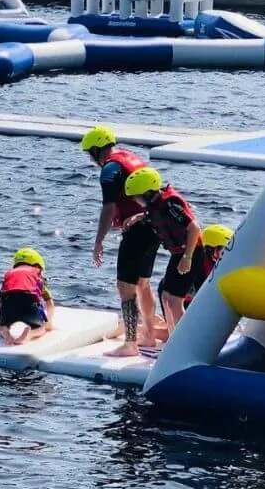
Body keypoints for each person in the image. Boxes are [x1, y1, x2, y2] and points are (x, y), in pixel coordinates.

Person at [82, 125, 161, 356]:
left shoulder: (109, 170)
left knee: (125, 287)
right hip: (153, 225)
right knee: (143, 283)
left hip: (137, 231)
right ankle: (148, 335)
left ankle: (130, 343)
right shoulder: (129, 157)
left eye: (90, 153)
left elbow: (108, 207)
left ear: (97, 150)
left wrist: (99, 241)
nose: (90, 158)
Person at [128, 166, 201, 345]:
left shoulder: (170, 205)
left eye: (137, 197)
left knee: (175, 300)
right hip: (178, 253)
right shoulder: (155, 205)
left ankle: (185, 342)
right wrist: (139, 217)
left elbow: (194, 228)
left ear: (147, 193)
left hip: (191, 252)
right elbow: (155, 216)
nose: (136, 200)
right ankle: (173, 338)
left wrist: (188, 257)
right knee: (166, 296)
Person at [159, 223, 231, 333]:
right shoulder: (195, 268)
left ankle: (158, 327)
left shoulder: (216, 265)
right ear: (209, 249)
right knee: (172, 334)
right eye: (222, 251)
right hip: (181, 302)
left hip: (192, 302)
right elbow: (181, 300)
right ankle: (150, 331)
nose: (225, 256)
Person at [0, 247, 55, 345]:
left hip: (8, 305)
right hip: (28, 305)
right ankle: (30, 334)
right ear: (38, 265)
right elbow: (49, 303)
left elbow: (0, 302)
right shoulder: (36, 274)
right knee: (42, 328)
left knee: (1, 327)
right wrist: (47, 322)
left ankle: (5, 332)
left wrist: (2, 320)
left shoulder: (9, 274)